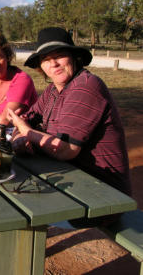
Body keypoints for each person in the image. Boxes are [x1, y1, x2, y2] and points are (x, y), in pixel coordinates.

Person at [8, 27, 131, 225]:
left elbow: (65, 150)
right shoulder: (52, 91)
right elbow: (22, 121)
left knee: (16, 210)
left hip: (102, 197)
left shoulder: (86, 86)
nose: (53, 63)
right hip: (71, 185)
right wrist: (20, 137)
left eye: (60, 55)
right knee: (14, 197)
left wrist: (27, 132)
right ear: (41, 66)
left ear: (73, 57)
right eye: (46, 59)